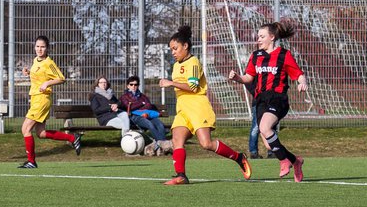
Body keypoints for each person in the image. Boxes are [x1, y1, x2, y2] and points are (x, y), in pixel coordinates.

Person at [159, 24, 251, 186]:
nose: (172, 52)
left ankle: (239, 157)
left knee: (206, 144)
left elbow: (193, 88)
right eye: (171, 49)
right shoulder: (176, 65)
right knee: (177, 141)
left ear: (185, 46)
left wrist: (170, 83)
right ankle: (181, 176)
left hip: (198, 107)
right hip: (183, 109)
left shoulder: (193, 62)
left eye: (175, 48)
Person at [227, 21, 309, 182]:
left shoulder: (284, 55)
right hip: (261, 100)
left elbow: (298, 74)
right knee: (269, 144)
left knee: (265, 128)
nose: (258, 39)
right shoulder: (256, 56)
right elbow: (249, 77)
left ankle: (284, 161)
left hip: (278, 98)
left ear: (272, 37)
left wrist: (302, 82)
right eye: (258, 36)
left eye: (262, 36)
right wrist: (237, 78)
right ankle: (295, 161)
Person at [19, 35, 81, 169]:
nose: (40, 49)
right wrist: (28, 72)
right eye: (37, 46)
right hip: (35, 98)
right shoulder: (36, 60)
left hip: (42, 99)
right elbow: (39, 76)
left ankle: (31, 161)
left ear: (47, 48)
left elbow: (61, 78)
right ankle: (72, 138)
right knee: (41, 133)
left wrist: (47, 83)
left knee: (25, 129)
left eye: (42, 47)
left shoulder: (49, 62)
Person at [120, 75, 170, 155]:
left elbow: (148, 105)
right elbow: (129, 107)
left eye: (135, 84)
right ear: (128, 86)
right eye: (131, 84)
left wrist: (138, 105)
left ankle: (160, 147)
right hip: (134, 117)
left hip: (147, 115)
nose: (133, 86)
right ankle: (163, 145)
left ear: (138, 85)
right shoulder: (124, 97)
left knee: (159, 124)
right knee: (149, 124)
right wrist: (141, 104)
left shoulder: (142, 96)